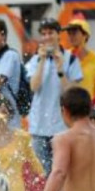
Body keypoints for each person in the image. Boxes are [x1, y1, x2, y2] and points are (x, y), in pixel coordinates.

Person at [26, 18, 83, 172]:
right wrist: (42, 61)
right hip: (38, 127)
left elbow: (71, 93)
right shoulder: (35, 59)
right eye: (43, 34)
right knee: (43, 173)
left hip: (62, 126)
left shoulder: (70, 59)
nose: (47, 37)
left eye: (50, 33)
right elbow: (34, 86)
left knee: (62, 171)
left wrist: (60, 69)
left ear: (58, 35)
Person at [63, 17, 95, 99]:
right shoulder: (64, 57)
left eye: (74, 33)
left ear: (85, 35)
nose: (71, 36)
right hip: (69, 106)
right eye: (69, 33)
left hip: (89, 107)